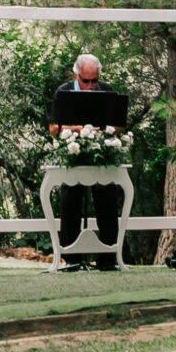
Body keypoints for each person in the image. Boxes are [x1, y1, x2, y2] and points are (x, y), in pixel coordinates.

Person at [47, 54, 128, 270]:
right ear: (76, 75)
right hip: (74, 154)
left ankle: (108, 257)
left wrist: (107, 129)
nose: (91, 86)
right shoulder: (63, 92)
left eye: (94, 81)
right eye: (86, 81)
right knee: (71, 199)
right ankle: (71, 258)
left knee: (107, 198)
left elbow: (119, 126)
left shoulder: (107, 91)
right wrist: (77, 129)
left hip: (101, 155)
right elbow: (53, 128)